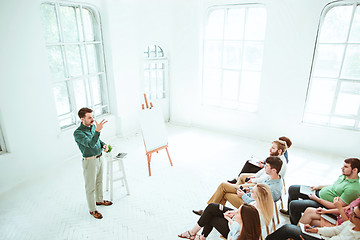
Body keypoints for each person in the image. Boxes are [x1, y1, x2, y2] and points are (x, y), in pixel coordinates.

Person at [280, 158, 360, 225]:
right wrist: (319, 187)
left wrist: (316, 199)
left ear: (355, 170)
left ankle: (295, 225)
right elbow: (334, 186)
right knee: (293, 189)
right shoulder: (344, 176)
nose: (342, 168)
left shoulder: (353, 189)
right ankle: (290, 213)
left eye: (345, 167)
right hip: (318, 194)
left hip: (322, 203)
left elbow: (336, 206)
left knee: (294, 205)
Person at [193, 156, 283, 216]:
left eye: (266, 166)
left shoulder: (272, 189)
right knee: (223, 186)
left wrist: (243, 195)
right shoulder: (272, 177)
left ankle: (209, 212)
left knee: (224, 192)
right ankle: (211, 211)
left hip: (249, 205)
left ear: (274, 170)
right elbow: (259, 190)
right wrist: (249, 189)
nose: (264, 167)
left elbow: (255, 204)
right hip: (249, 194)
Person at [73, 107, 113, 219]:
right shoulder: (78, 133)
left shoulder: (93, 127)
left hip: (99, 158)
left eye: (92, 116)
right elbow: (90, 144)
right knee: (90, 186)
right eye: (89, 117)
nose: (92, 119)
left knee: (99, 181)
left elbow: (97, 141)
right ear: (82, 119)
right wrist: (98, 131)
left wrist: (103, 144)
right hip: (90, 161)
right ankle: (92, 209)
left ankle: (99, 200)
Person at [265, 202, 360, 240]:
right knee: (288, 229)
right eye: (352, 211)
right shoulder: (350, 223)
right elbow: (336, 230)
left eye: (354, 214)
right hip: (324, 237)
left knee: (287, 229)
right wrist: (316, 230)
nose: (350, 214)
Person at [178, 203, 261, 240]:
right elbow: (234, 226)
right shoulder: (240, 228)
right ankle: (199, 235)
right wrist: (227, 218)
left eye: (237, 213)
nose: (235, 213)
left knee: (210, 214)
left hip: (231, 234)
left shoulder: (237, 236)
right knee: (211, 210)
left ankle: (196, 234)